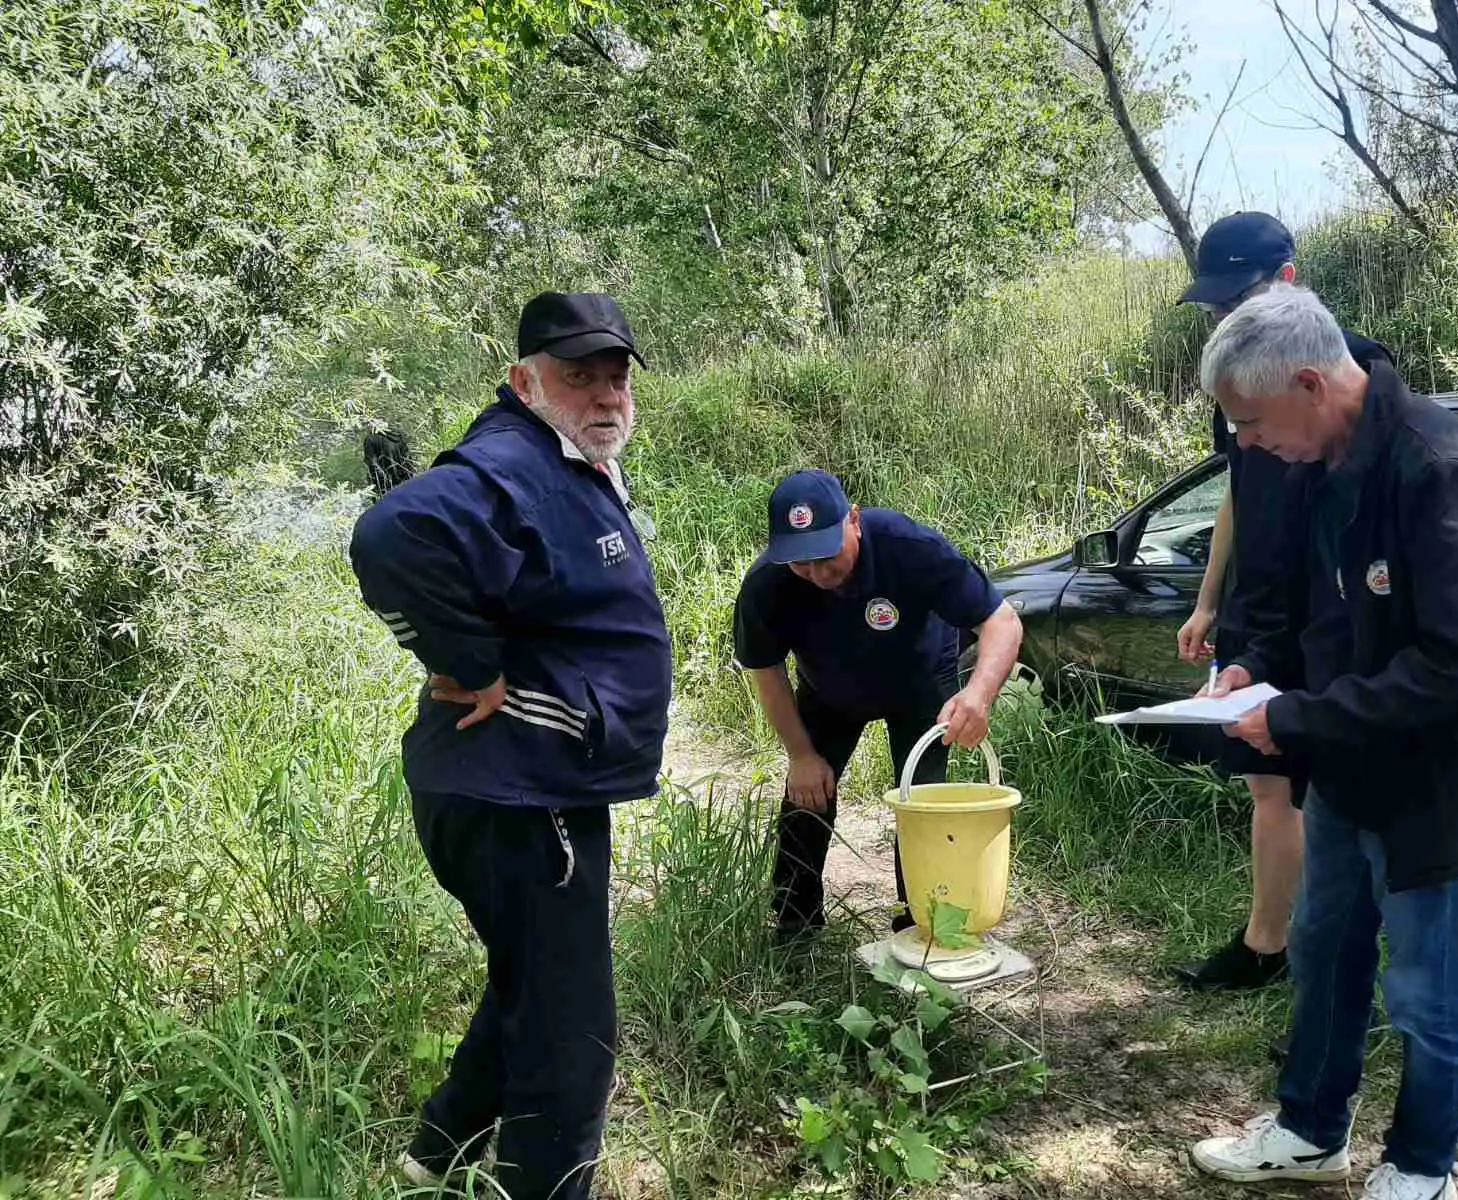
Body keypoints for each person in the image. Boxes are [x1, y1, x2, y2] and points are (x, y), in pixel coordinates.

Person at [1189, 286, 1458, 1200]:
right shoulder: (1319, 468)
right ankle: (1309, 1130)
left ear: (1307, 381)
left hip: (1445, 785)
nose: (1245, 444)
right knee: (1324, 950)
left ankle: (1420, 1168)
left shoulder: (1439, 467)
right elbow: (1326, 621)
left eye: (1249, 422)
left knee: (1427, 985)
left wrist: (1297, 719)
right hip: (1353, 769)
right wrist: (1260, 669)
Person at [348, 291, 671, 1200]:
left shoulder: (565, 462)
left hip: (536, 790)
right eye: (580, 377)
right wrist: (472, 663)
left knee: (532, 982)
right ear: (526, 380)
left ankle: (437, 1150)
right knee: (573, 1037)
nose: (605, 396)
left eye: (616, 377)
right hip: (520, 800)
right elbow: (390, 534)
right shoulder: (513, 463)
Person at [1172, 212, 1393, 992]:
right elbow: (1240, 487)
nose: (1228, 316)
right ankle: (1268, 943)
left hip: (1327, 613)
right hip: (1257, 612)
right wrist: (1207, 600)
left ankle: (1331, 971)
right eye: (1218, 304)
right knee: (1266, 777)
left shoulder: (1350, 374)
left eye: (1243, 296)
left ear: (1290, 281)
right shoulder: (1238, 379)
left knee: (1327, 788)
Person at [733, 470, 1023, 944]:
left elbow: (1002, 621)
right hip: (829, 691)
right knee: (807, 794)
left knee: (923, 802)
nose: (819, 574)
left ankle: (922, 920)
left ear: (854, 520)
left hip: (920, 683)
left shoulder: (908, 547)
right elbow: (766, 670)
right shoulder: (767, 584)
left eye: (827, 556)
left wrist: (978, 695)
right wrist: (800, 755)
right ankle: (795, 922)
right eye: (802, 564)